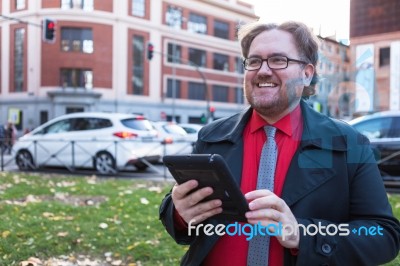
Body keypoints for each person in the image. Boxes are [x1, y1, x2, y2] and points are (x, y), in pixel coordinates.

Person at [159, 20, 400, 265]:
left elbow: (384, 236)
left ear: (307, 74)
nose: (263, 70)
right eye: (254, 61)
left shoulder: (349, 143)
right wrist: (179, 213)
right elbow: (182, 219)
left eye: (278, 60)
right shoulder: (212, 137)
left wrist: (303, 234)